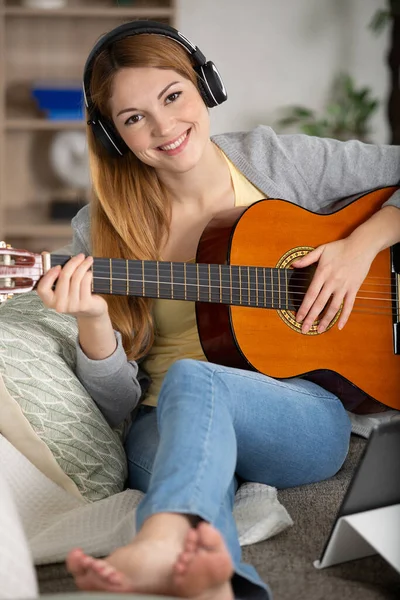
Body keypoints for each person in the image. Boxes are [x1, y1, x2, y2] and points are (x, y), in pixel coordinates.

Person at [36, 20, 400, 600]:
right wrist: (93, 323)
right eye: (134, 119)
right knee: (181, 433)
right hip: (165, 424)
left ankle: (158, 544)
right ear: (113, 136)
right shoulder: (97, 230)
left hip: (301, 411)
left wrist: (360, 247)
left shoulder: (274, 160)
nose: (164, 127)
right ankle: (219, 582)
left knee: (194, 377)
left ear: (204, 86)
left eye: (172, 96)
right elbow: (114, 406)